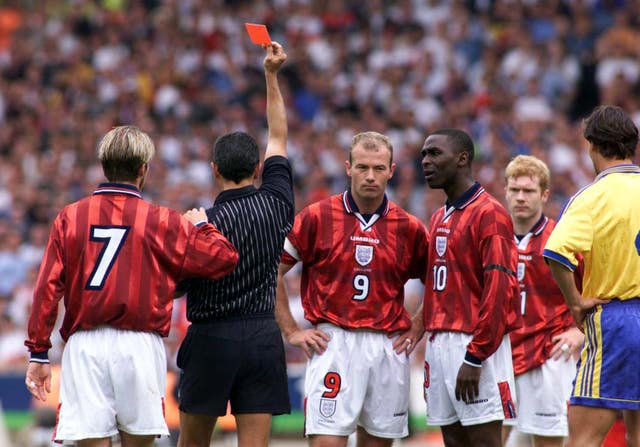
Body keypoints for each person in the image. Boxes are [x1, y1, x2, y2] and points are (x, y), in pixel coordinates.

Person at [24, 125, 239, 447]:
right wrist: (203, 225)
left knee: (90, 440)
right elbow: (223, 258)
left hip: (86, 345)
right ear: (143, 169)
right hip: (140, 344)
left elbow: (47, 288)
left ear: (104, 166)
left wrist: (39, 352)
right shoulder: (161, 219)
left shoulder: (70, 216)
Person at [275, 131, 429, 447]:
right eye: (362, 167)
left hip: (387, 345)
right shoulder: (318, 216)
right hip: (334, 341)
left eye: (377, 168)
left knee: (377, 443)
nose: (370, 176)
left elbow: (440, 282)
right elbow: (273, 270)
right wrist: (291, 331)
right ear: (348, 168)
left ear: (391, 170)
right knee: (326, 443)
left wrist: (417, 327)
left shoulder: (409, 227)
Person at [175, 42, 293, 447]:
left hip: (211, 338)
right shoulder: (278, 201)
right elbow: (278, 133)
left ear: (214, 170)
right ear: (259, 168)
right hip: (263, 336)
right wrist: (271, 75)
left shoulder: (203, 224)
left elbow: (177, 285)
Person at [543, 104, 640, 447]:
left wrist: (575, 303)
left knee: (583, 439)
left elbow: (556, 253)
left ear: (593, 146)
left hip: (617, 321)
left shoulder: (592, 196)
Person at [419, 128, 521, 447]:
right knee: (453, 440)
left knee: (485, 441)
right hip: (439, 345)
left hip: (474, 344)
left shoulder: (490, 214)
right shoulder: (438, 217)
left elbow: (499, 290)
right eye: (424, 154)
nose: (425, 161)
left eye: (434, 153)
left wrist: (475, 356)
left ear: (462, 158)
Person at [502, 155, 584, 447]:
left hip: (549, 356)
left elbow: (595, 288)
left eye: (529, 191)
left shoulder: (561, 239)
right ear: (506, 191)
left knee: (548, 442)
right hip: (500, 356)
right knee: (490, 440)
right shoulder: (493, 237)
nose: (520, 197)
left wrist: (579, 331)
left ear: (545, 194)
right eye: (515, 190)